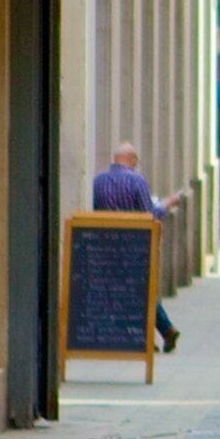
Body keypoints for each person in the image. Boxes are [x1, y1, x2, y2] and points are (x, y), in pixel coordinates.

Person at [90, 143, 182, 352]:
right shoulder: (136, 180)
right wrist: (167, 203)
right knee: (140, 291)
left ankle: (155, 335)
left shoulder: (98, 182)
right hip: (134, 246)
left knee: (122, 292)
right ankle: (160, 332)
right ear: (131, 159)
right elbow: (149, 214)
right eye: (135, 161)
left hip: (104, 248)